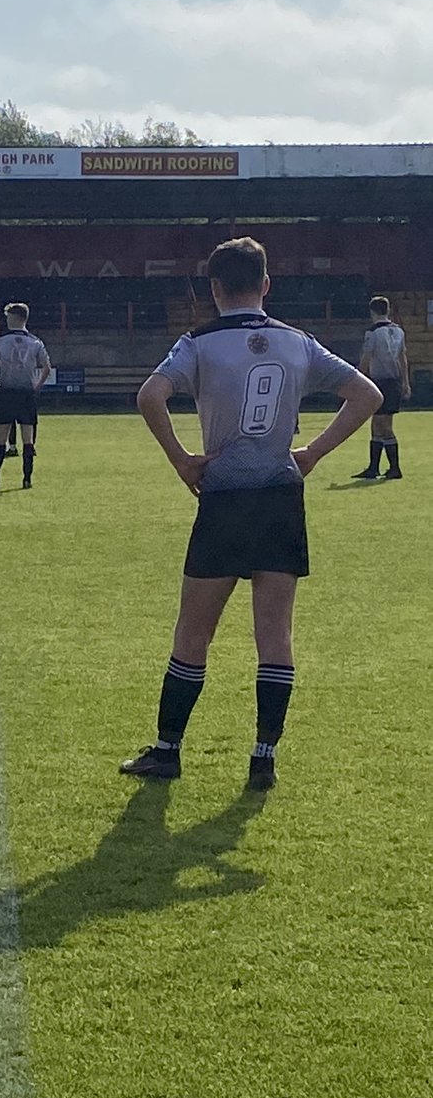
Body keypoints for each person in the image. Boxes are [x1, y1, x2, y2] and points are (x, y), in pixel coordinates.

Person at [120, 237, 382, 791]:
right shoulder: (297, 342)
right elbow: (367, 396)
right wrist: (311, 452)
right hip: (281, 497)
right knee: (275, 636)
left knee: (194, 632)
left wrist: (183, 461)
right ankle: (263, 760)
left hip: (223, 501)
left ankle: (167, 752)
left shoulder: (199, 343)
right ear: (266, 285)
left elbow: (149, 395)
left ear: (214, 289)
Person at [0, 303, 50, 491]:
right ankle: (26, 479)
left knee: (1, 436)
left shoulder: (2, 341)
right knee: (28, 439)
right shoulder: (35, 342)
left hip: (7, 392)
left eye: (8, 316)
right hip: (27, 393)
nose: (6, 319)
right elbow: (46, 367)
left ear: (15, 318)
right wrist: (37, 387)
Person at [352, 296, 411, 479]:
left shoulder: (373, 332)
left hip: (380, 381)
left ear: (372, 312)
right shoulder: (398, 331)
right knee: (378, 424)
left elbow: (366, 359)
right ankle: (374, 467)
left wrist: (357, 381)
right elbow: (403, 358)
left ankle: (394, 468)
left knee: (383, 425)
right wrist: (405, 382)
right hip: (394, 381)